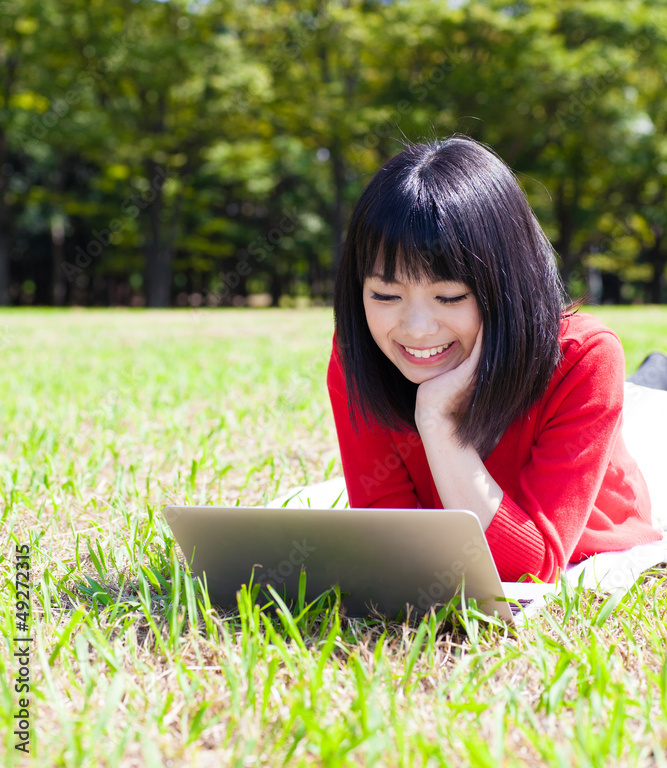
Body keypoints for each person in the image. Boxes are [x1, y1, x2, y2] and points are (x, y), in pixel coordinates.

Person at [270, 135, 667, 585]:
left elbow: (526, 570)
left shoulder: (585, 357)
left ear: (507, 287)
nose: (417, 329)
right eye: (385, 294)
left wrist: (440, 422)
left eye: (450, 296)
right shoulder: (359, 353)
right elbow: (392, 534)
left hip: (609, 467)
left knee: (652, 404)